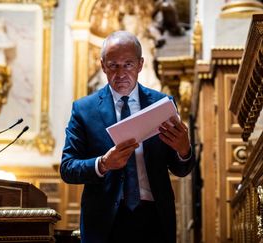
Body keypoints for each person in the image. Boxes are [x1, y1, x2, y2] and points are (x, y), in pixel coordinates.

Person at [61, 31, 195, 243]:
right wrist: (103, 163)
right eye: (113, 65)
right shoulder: (83, 109)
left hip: (154, 219)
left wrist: (184, 150)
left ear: (140, 65)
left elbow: (181, 168)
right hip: (105, 223)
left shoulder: (162, 104)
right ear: (103, 65)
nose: (121, 73)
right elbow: (68, 168)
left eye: (128, 64)